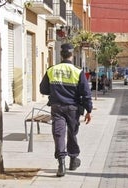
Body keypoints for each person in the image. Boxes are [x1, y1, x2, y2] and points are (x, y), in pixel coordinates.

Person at [39, 43, 93, 177]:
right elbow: (86, 93)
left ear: (60, 54)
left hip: (57, 107)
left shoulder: (52, 70)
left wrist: (55, 90)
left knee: (59, 134)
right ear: (72, 54)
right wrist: (89, 110)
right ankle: (73, 160)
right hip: (73, 108)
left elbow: (43, 89)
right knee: (72, 133)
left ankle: (61, 164)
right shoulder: (77, 71)